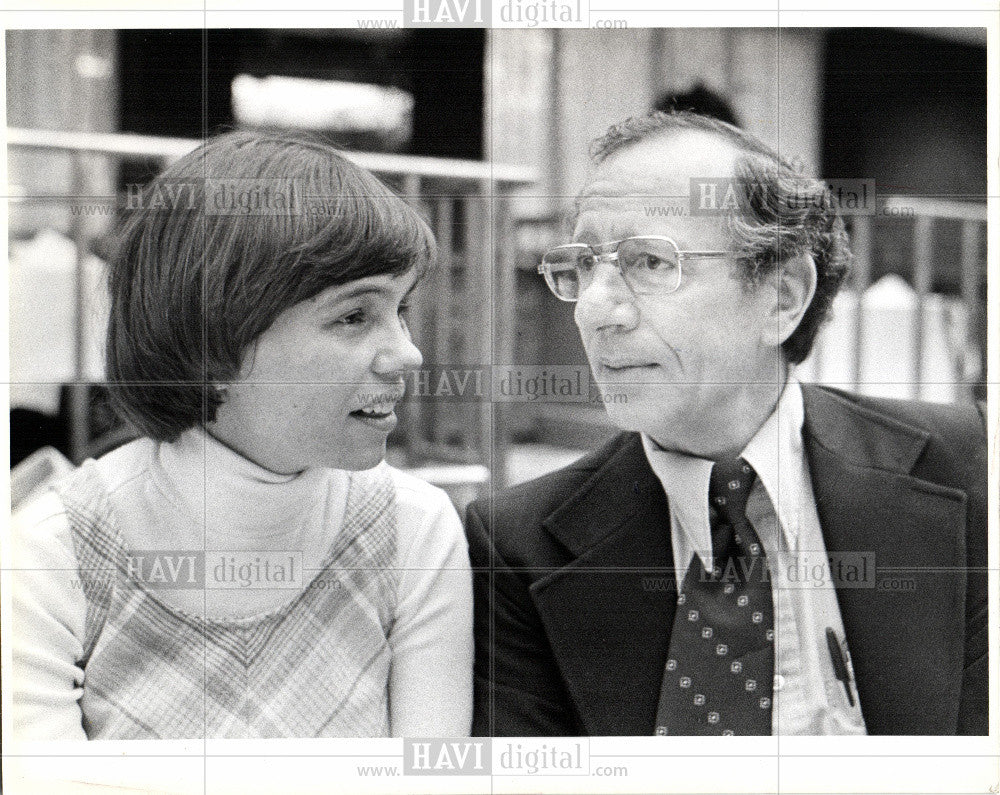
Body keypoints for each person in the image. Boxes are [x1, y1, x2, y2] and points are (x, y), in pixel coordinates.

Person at [466, 111, 987, 736]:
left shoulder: (965, 467)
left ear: (781, 297)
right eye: (581, 267)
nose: (595, 309)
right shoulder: (516, 546)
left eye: (650, 262)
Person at [10, 131, 473, 740]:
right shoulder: (46, 551)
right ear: (212, 338)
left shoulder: (416, 526)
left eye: (402, 310)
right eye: (354, 315)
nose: (407, 354)